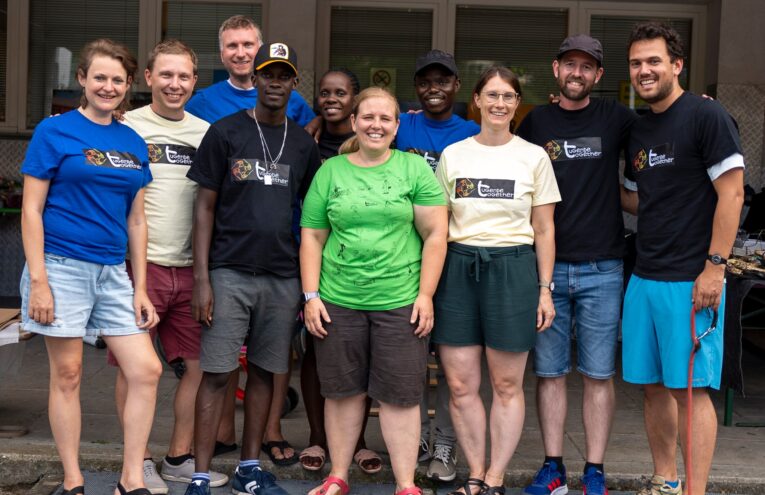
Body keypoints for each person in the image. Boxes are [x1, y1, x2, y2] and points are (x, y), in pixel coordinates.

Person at [20, 38, 161, 495]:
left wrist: (140, 287)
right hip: (61, 267)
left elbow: (137, 220)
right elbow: (31, 210)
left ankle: (131, 477)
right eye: (99, 77)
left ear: (128, 86)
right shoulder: (54, 131)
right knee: (69, 374)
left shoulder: (133, 141)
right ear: (81, 79)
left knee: (146, 369)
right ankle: (73, 479)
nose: (108, 86)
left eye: (117, 79)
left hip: (112, 273)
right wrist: (39, 281)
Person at [185, 42, 320, 495]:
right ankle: (201, 476)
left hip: (282, 277)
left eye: (284, 75)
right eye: (268, 74)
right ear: (255, 79)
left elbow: (310, 216)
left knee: (266, 372)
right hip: (228, 272)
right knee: (218, 373)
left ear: (294, 82)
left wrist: (307, 288)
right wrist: (201, 279)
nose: (275, 82)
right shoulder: (224, 132)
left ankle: (248, 468)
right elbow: (203, 208)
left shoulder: (303, 145)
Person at [300, 87, 448, 495]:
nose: (376, 125)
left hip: (400, 300)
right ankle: (338, 476)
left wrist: (425, 295)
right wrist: (311, 297)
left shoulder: (414, 170)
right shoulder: (331, 171)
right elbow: (312, 236)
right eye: (368, 117)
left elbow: (436, 234)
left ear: (397, 126)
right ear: (353, 122)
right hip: (337, 301)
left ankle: (405, 485)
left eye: (385, 118)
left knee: (401, 396)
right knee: (343, 392)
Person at [620, 22, 744, 495]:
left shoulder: (706, 117)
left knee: (689, 391)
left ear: (677, 65)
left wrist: (715, 266)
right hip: (645, 275)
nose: (644, 70)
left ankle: (694, 491)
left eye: (654, 61)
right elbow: (634, 198)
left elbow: (731, 195)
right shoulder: (639, 129)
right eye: (636, 63)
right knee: (652, 386)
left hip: (691, 278)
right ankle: (665, 481)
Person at [105, 40, 228, 494]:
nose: (175, 84)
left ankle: (178, 457)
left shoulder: (206, 132)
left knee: (198, 367)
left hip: (194, 271)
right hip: (141, 268)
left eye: (184, 77)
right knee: (135, 371)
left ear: (195, 82)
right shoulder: (126, 127)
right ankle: (137, 462)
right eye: (166, 75)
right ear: (149, 78)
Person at [516, 35, 637, 495]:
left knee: (598, 374)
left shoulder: (617, 118)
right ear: (556, 69)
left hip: (602, 267)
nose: (577, 74)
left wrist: (706, 108)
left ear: (599, 76)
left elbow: (666, 127)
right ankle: (552, 467)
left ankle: (595, 471)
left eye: (587, 67)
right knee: (548, 373)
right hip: (545, 270)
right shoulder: (536, 121)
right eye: (570, 65)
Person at [433, 66, 560, 495]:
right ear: (477, 100)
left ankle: (496, 476)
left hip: (513, 269)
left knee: (507, 384)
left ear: (516, 103)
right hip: (458, 267)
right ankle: (474, 471)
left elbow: (544, 229)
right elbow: (438, 225)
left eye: (508, 96)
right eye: (492, 95)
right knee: (460, 383)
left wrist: (545, 289)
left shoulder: (533, 156)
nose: (500, 103)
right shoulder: (454, 154)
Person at [397, 49, 480, 482]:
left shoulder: (473, 132)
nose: (434, 88)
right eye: (426, 81)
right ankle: (414, 440)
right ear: (416, 88)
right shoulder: (401, 124)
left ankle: (443, 443)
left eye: (443, 81)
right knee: (409, 356)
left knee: (452, 360)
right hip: (403, 261)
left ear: (457, 87)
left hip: (457, 262)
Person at [298, 68, 384, 475]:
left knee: (357, 358)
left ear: (355, 105)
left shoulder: (371, 140)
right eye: (325, 92)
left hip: (356, 271)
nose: (331, 98)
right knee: (317, 355)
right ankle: (318, 436)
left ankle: (358, 441)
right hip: (310, 257)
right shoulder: (305, 137)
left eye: (341, 93)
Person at [185, 15, 315, 127]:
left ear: (260, 51)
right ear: (222, 55)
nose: (241, 54)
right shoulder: (202, 102)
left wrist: (320, 120)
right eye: (232, 46)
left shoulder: (289, 97)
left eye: (248, 45)